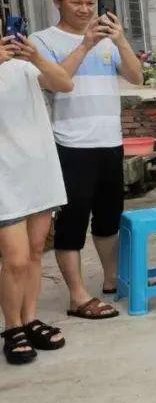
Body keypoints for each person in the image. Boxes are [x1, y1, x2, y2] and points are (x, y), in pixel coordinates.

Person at [30, 0, 143, 320]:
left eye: (90, 3)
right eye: (76, 2)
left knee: (108, 219)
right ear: (57, 1)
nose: (84, 9)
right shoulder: (42, 40)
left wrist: (120, 39)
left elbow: (137, 78)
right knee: (72, 223)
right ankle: (77, 296)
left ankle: (111, 282)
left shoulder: (108, 38)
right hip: (69, 144)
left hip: (109, 141)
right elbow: (52, 83)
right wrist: (85, 45)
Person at [0, 33, 74, 364]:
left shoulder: (24, 67)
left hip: (38, 168)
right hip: (4, 174)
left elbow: (63, 83)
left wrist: (35, 57)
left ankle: (29, 319)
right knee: (13, 258)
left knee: (33, 252)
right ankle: (11, 326)